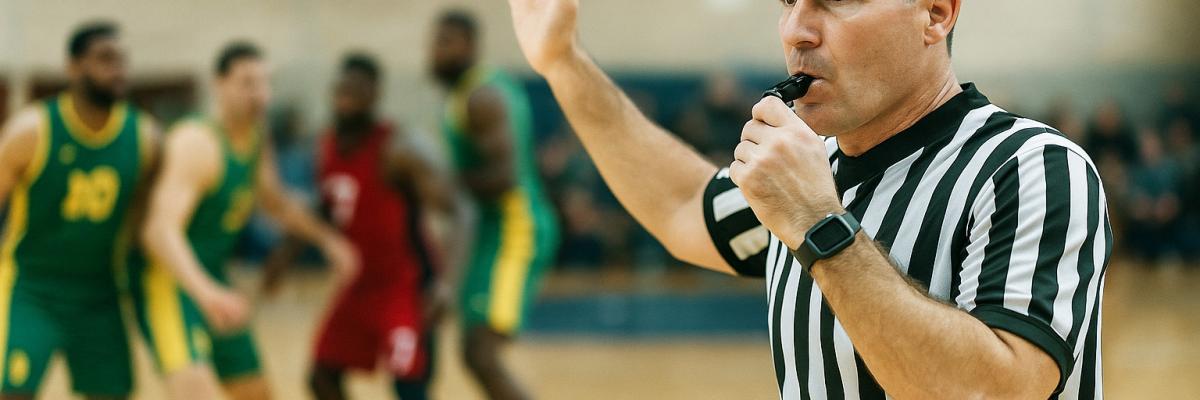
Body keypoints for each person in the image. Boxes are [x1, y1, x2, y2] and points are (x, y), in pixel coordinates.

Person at [506, 0, 1110, 398]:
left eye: (836, 0)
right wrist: (564, 64)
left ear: (935, 13)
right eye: (789, 0)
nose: (797, 30)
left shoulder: (1031, 166)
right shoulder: (810, 166)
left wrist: (818, 222)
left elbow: (992, 392)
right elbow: (682, 203)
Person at [133, 42, 358, 400]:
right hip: (170, 282)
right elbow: (158, 230)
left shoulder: (255, 137)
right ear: (218, 84)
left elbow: (274, 202)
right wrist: (205, 292)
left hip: (214, 278)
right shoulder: (196, 143)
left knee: (256, 393)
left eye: (265, 83)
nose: (260, 94)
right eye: (248, 83)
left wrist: (328, 240)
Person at [262, 53, 457, 400]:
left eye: (356, 92)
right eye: (342, 91)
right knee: (322, 377)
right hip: (358, 284)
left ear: (375, 95)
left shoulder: (399, 147)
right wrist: (284, 255)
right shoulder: (327, 145)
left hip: (403, 284)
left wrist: (447, 282)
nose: (346, 100)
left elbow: (457, 209)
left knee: (409, 386)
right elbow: (326, 211)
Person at [0, 22, 158, 400]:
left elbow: (146, 222)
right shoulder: (31, 130)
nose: (117, 69)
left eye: (122, 60)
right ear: (73, 67)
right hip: (31, 288)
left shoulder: (146, 138)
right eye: (105, 59)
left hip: (101, 293)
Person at [430, 10, 559, 400]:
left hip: (515, 228)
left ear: (469, 45)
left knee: (480, 351)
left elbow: (504, 177)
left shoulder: (482, 96)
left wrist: (446, 184)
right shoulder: (468, 92)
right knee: (474, 351)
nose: (434, 52)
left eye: (445, 43)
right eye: (433, 42)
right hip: (491, 229)